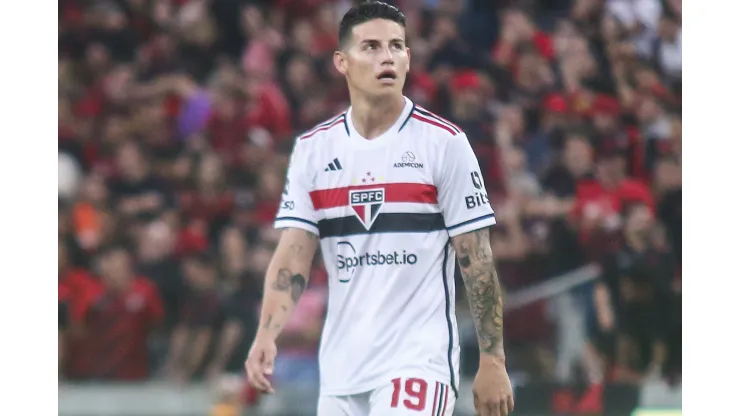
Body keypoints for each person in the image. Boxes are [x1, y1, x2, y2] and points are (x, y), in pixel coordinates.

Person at [245, 2, 515, 415]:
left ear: (408, 58)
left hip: (417, 362)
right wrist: (267, 334)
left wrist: (493, 361)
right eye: (370, 46)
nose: (386, 56)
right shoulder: (314, 151)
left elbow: (476, 258)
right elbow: (294, 253)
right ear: (342, 62)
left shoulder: (444, 144)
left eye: (397, 46)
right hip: (341, 370)